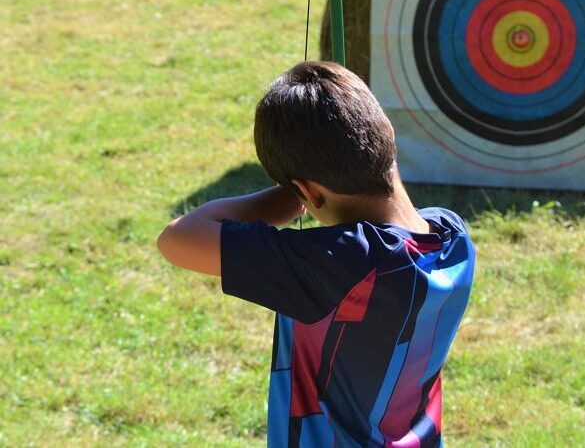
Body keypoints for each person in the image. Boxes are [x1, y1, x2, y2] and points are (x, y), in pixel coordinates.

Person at [157, 61, 475, 447]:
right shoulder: (452, 236)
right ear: (388, 133)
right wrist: (305, 187)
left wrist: (289, 198)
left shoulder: (341, 266)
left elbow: (177, 239)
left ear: (308, 194)